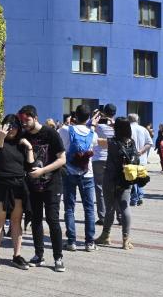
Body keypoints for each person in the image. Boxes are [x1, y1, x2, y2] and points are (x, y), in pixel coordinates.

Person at [18, 105, 66, 272]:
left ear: (35, 118)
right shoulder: (23, 136)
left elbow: (62, 159)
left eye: (27, 120)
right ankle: (39, 255)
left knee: (53, 220)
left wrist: (43, 171)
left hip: (52, 183)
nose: (24, 123)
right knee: (35, 219)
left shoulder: (50, 133)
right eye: (22, 120)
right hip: (32, 186)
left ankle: (58, 257)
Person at [0, 114, 35, 270]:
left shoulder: (20, 143)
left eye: (14, 126)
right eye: (8, 126)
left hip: (18, 186)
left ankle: (17, 255)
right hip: (2, 186)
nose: (11, 130)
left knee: (16, 221)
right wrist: (1, 137)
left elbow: (29, 166)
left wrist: (29, 147)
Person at [58, 104, 100, 252]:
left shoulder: (65, 130)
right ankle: (89, 242)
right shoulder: (92, 133)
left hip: (69, 172)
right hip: (87, 174)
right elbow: (93, 146)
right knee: (89, 208)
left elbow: (58, 143)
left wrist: (68, 123)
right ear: (89, 117)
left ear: (75, 116)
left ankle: (71, 241)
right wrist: (92, 126)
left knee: (69, 208)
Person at [95, 117, 138, 250]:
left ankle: (105, 235)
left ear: (116, 128)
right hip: (126, 178)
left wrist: (95, 124)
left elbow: (94, 140)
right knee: (125, 208)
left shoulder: (111, 142)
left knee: (110, 208)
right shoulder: (131, 142)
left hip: (110, 178)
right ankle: (126, 240)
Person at [93, 104, 116, 225]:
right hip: (113, 159)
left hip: (98, 159)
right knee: (116, 188)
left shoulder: (99, 126)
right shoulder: (118, 125)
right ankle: (120, 216)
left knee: (100, 188)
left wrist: (96, 115)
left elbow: (87, 125)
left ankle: (102, 216)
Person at [128, 113, 152, 206]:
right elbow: (149, 143)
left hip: (131, 158)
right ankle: (140, 196)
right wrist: (141, 151)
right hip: (141, 158)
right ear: (137, 120)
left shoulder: (127, 129)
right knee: (141, 176)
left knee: (132, 177)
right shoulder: (143, 129)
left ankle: (134, 198)